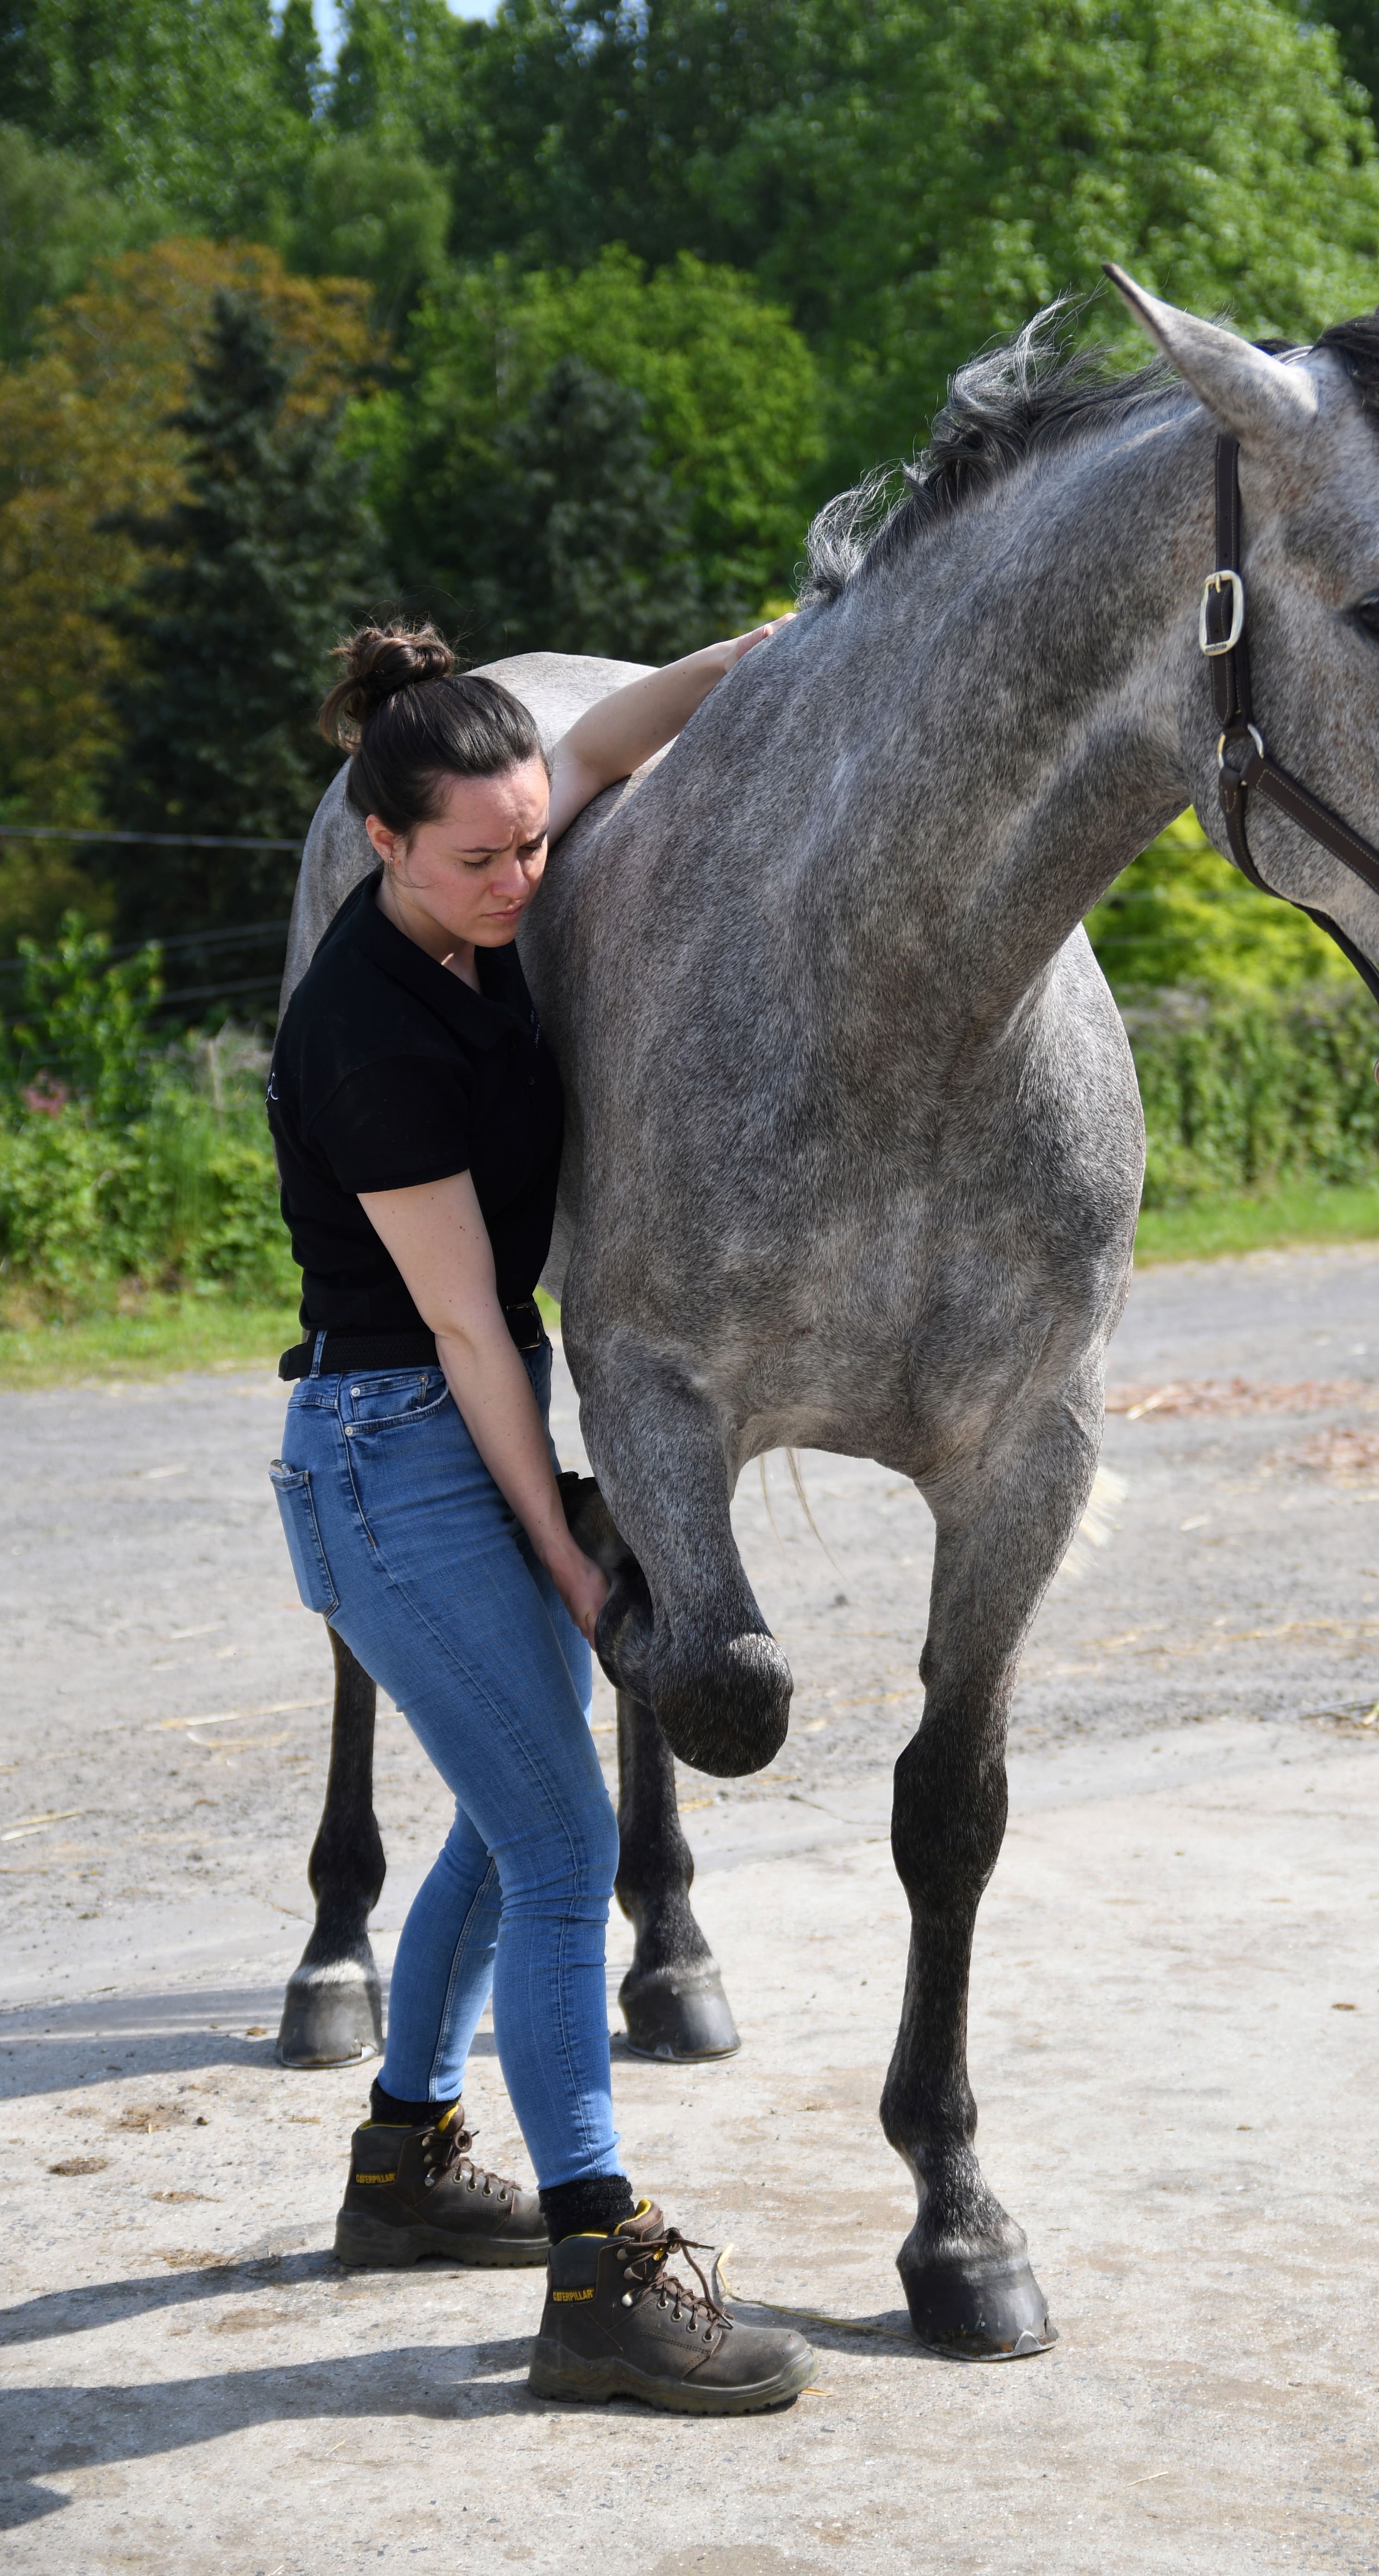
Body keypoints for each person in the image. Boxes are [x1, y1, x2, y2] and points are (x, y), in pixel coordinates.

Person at [266, 620, 813, 2415]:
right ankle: (596, 2266)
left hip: (433, 1426)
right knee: (571, 1844)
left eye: (536, 840)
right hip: (389, 1444)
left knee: (510, 1829)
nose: (523, 882)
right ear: (381, 844)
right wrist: (575, 1556)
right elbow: (468, 1335)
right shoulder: (368, 1032)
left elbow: (635, 717)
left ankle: (406, 2163)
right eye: (482, 857)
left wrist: (805, 627)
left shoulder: (487, 857)